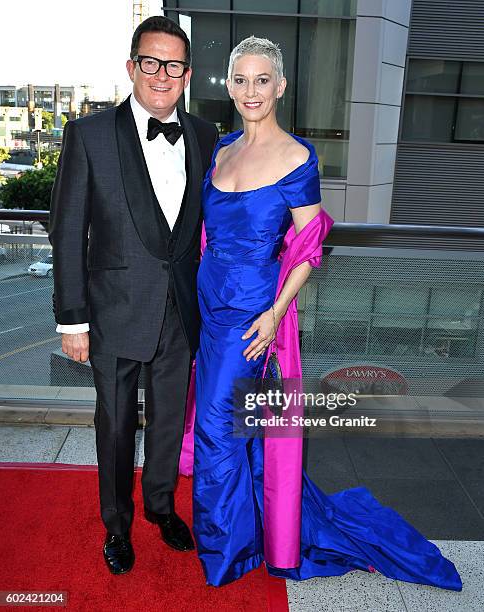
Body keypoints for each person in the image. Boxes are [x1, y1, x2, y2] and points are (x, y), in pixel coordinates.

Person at [184, 35, 463, 591]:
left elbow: (310, 247)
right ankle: (253, 527)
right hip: (209, 305)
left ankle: (227, 550)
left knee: (219, 428)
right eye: (240, 80)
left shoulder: (297, 157)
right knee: (244, 427)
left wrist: (274, 312)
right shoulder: (221, 150)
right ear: (229, 87)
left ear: (281, 86)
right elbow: (208, 236)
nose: (250, 90)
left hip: (252, 314)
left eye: (262, 80)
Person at [49, 16, 218, 575]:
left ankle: (162, 507)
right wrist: (72, 320)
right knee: (116, 426)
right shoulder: (90, 134)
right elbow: (68, 228)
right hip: (113, 311)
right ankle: (117, 527)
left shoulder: (203, 134)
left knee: (169, 421)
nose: (162, 74)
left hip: (180, 310)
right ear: (131, 66)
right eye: (151, 61)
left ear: (187, 74)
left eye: (174, 65)